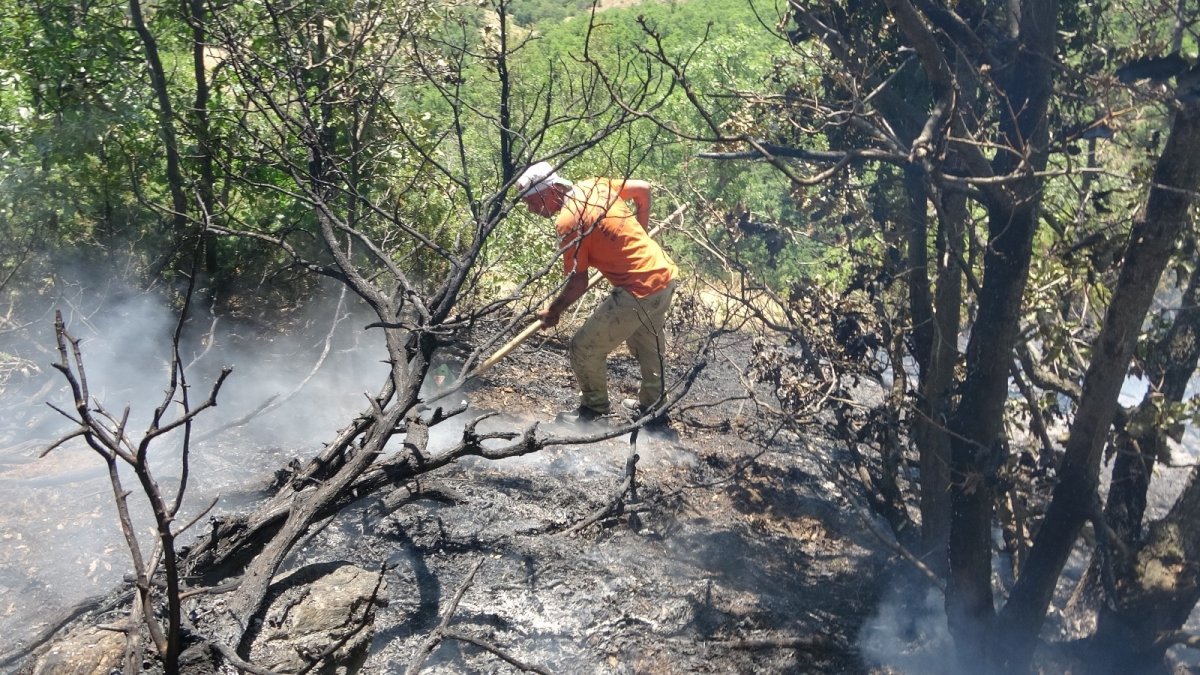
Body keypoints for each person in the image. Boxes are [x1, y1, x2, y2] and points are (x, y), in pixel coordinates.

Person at [516, 161, 678, 432]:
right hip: (663, 277)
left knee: (584, 347)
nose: (532, 210)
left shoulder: (568, 221)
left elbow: (577, 282)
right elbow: (643, 189)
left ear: (553, 189)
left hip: (638, 290)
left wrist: (554, 310)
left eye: (533, 202)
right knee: (648, 345)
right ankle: (655, 411)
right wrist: (642, 231)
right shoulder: (593, 186)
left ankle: (594, 414)